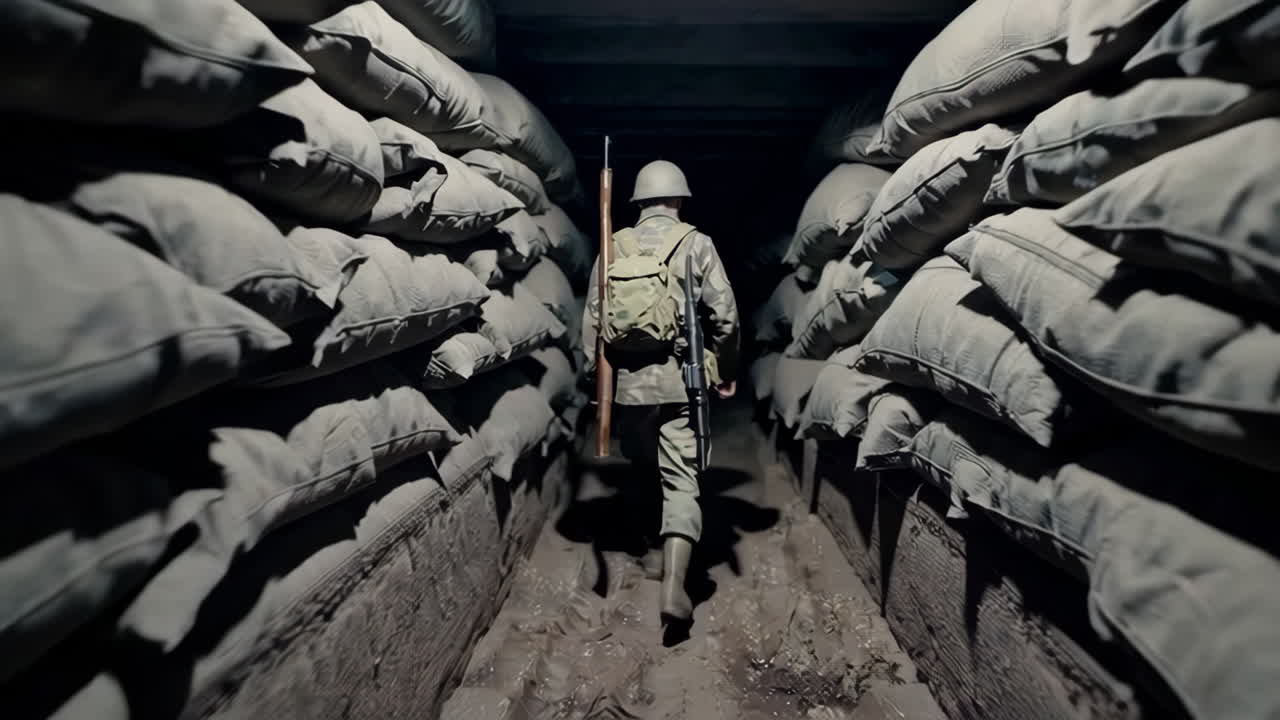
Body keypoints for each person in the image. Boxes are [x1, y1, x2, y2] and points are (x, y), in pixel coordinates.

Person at [583, 159, 740, 627]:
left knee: (641, 464)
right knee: (681, 479)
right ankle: (675, 584)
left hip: (627, 390)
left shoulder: (614, 245)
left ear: (638, 202)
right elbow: (725, 315)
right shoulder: (696, 244)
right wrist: (723, 367)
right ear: (679, 199)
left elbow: (592, 317)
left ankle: (649, 550)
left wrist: (597, 381)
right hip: (678, 384)